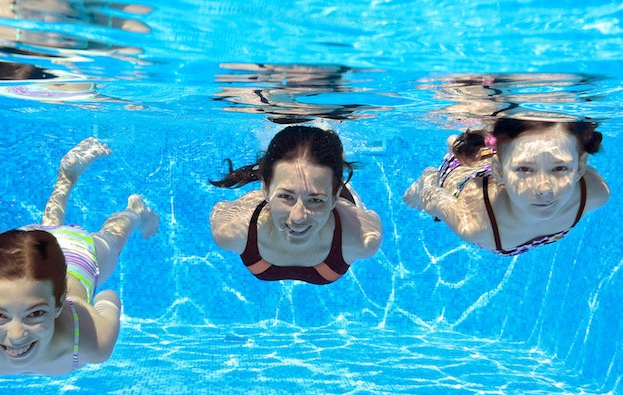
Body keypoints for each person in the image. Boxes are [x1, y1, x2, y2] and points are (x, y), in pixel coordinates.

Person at [0, 137, 159, 376]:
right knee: (51, 235)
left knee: (112, 240)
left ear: (59, 304)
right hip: (31, 245)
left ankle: (135, 212)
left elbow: (107, 296)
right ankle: (66, 176)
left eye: (35, 313)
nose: (16, 336)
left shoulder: (90, 339)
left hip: (76, 257)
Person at [403, 117, 610, 256]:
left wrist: (522, 166)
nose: (544, 188)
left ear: (580, 167)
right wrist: (427, 185)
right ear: (500, 173)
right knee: (458, 155)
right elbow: (433, 199)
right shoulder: (475, 224)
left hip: (502, 160)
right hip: (462, 177)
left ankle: (476, 146)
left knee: (483, 149)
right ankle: (444, 160)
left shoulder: (594, 192)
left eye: (559, 169)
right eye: (525, 171)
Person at [209, 125, 382, 284]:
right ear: (265, 190)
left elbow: (371, 217)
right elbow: (220, 208)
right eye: (286, 196)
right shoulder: (231, 232)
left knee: (327, 169)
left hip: (337, 199)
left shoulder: (362, 239)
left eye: (315, 200)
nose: (298, 217)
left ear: (335, 197)